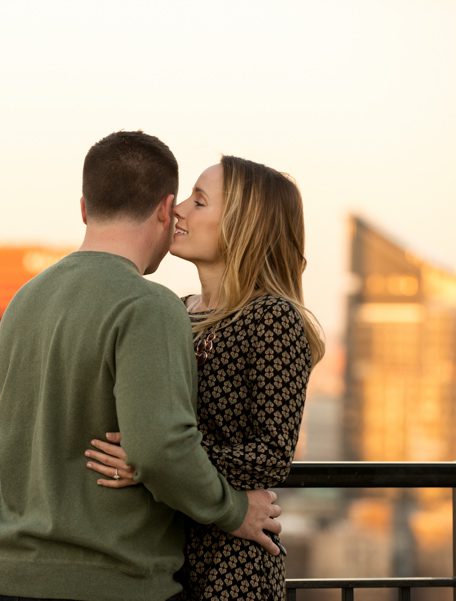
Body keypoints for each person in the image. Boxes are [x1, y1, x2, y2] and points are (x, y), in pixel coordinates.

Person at [0, 133, 283, 601]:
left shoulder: (24, 300)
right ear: (165, 211)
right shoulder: (150, 307)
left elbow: (16, 402)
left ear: (85, 208)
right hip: (114, 584)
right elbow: (161, 448)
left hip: (8, 581)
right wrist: (235, 511)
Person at [85, 156, 324, 600]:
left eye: (199, 201)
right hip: (160, 551)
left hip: (231, 561)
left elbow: (272, 456)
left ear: (240, 224)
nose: (178, 210)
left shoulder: (271, 318)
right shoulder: (174, 309)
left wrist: (154, 459)